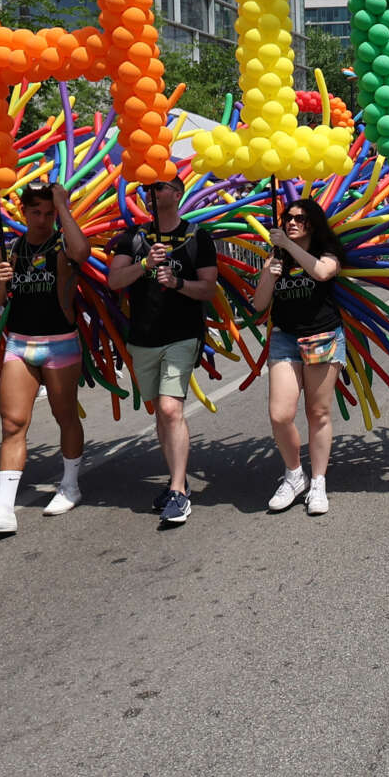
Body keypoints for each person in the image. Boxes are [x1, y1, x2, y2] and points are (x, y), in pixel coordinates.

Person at [0, 182, 91, 537]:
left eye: (48, 212)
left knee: (64, 414)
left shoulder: (63, 243)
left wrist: (63, 207)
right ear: (24, 213)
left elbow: (82, 252)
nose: (42, 219)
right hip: (19, 344)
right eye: (36, 212)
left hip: (61, 343)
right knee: (12, 423)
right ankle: (4, 508)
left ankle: (70, 485)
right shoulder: (11, 249)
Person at [108, 176, 219, 527]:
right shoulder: (134, 237)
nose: (152, 192)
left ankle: (177, 492)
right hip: (143, 337)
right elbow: (114, 281)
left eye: (159, 187)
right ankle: (178, 477)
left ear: (176, 193)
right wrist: (144, 265)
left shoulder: (197, 236)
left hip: (182, 335)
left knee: (171, 410)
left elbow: (208, 289)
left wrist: (177, 282)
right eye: (148, 187)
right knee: (160, 412)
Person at [254, 196, 346, 517]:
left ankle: (318, 481)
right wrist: (269, 273)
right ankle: (294, 475)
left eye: (299, 218)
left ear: (313, 223)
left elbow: (322, 272)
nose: (291, 222)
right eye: (287, 218)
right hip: (284, 338)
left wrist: (289, 248)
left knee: (318, 412)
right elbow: (258, 304)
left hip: (322, 336)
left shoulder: (328, 252)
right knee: (280, 414)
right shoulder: (275, 259)